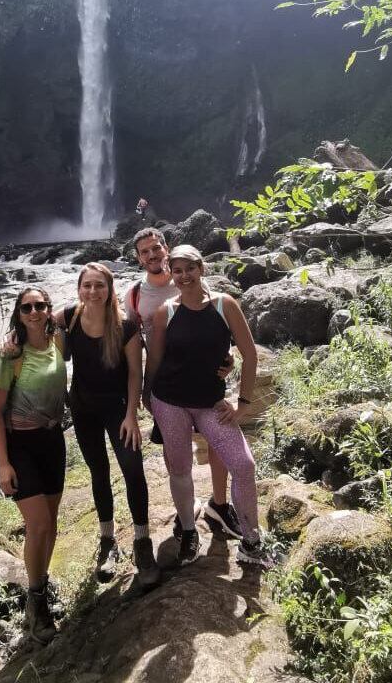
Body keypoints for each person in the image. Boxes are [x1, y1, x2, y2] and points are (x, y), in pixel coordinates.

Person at [144, 245, 274, 568]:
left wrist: (243, 403)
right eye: (178, 270)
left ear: (201, 268)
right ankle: (188, 531)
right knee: (180, 469)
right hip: (170, 401)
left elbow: (250, 355)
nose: (184, 275)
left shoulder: (224, 305)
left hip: (209, 402)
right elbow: (156, 359)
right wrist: (147, 398)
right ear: (171, 274)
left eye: (190, 268)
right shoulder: (166, 312)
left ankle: (250, 541)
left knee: (243, 465)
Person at [124, 228, 243, 541]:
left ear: (167, 248)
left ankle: (220, 503)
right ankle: (185, 513)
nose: (152, 255)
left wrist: (229, 356)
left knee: (217, 442)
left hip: (206, 378)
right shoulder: (135, 294)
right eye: (144, 252)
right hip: (167, 383)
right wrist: (141, 392)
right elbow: (132, 341)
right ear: (138, 258)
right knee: (176, 454)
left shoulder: (191, 276)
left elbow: (219, 325)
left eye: (156, 248)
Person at [60, 263, 160, 588]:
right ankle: (107, 540)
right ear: (79, 288)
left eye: (99, 286)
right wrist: (9, 341)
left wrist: (132, 414)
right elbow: (31, 322)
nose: (93, 291)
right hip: (83, 408)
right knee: (98, 472)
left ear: (109, 288)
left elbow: (135, 373)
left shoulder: (126, 326)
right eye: (87, 286)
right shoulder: (69, 317)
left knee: (132, 468)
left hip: (118, 409)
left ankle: (142, 541)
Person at [0, 286, 67, 645]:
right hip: (20, 445)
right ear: (19, 314)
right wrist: (3, 464)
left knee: (51, 526)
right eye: (27, 307)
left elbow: (96, 301)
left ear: (50, 310)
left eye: (41, 306)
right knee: (37, 525)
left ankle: (42, 585)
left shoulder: (58, 343)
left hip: (52, 441)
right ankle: (36, 603)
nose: (35, 312)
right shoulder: (9, 356)